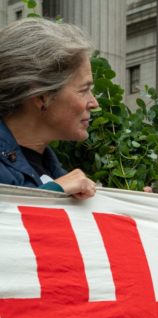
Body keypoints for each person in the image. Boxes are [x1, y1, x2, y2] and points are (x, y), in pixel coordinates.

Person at [0, 18, 98, 199]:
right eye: (84, 90)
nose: (94, 103)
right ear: (41, 96)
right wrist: (52, 193)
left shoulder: (57, 173)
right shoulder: (60, 182)